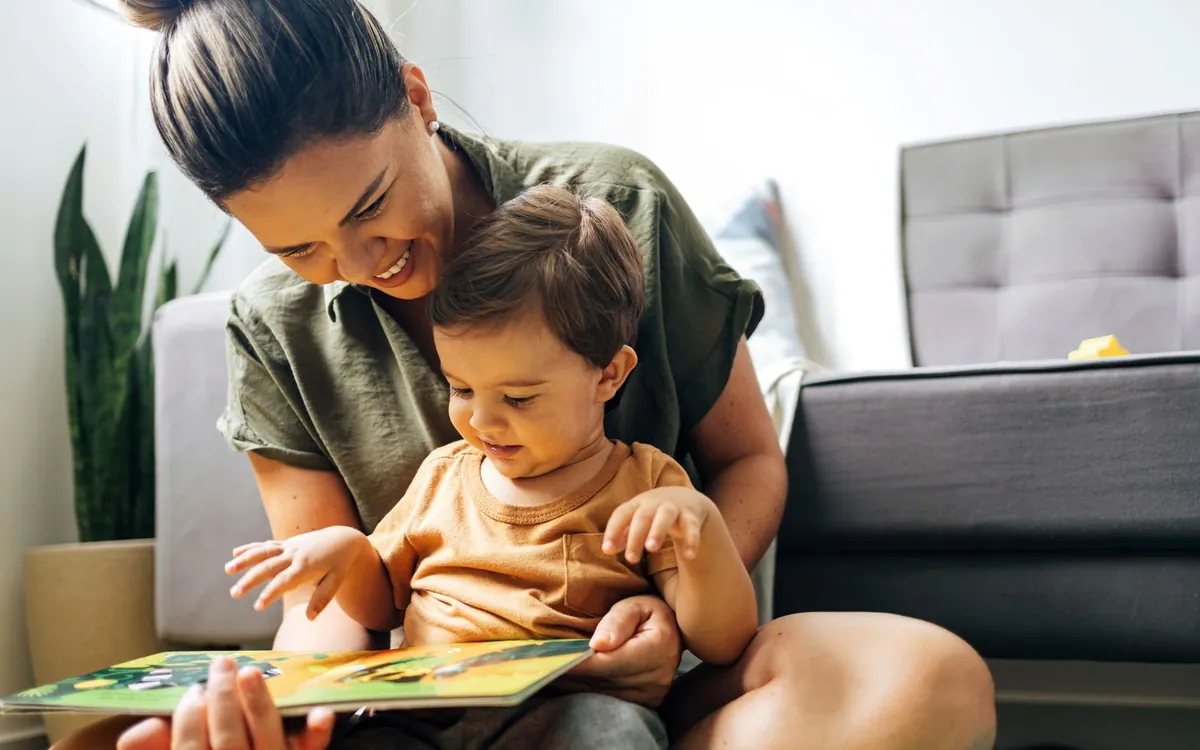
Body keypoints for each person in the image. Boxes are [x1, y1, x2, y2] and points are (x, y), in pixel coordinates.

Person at [58, 0, 997, 747]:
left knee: (930, 680)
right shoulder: (271, 324)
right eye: (299, 247)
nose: (359, 260)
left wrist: (668, 607)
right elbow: (333, 602)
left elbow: (750, 461)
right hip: (427, 703)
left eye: (372, 204)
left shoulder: (616, 205)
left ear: (416, 97)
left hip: (637, 684)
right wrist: (294, 713)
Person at [222, 185, 759, 747]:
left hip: (558, 714)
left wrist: (700, 525)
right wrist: (346, 553)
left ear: (609, 375)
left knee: (612, 731)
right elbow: (383, 601)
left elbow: (723, 640)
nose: (482, 421)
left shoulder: (646, 486)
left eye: (519, 398)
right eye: (461, 388)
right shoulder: (443, 476)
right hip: (422, 717)